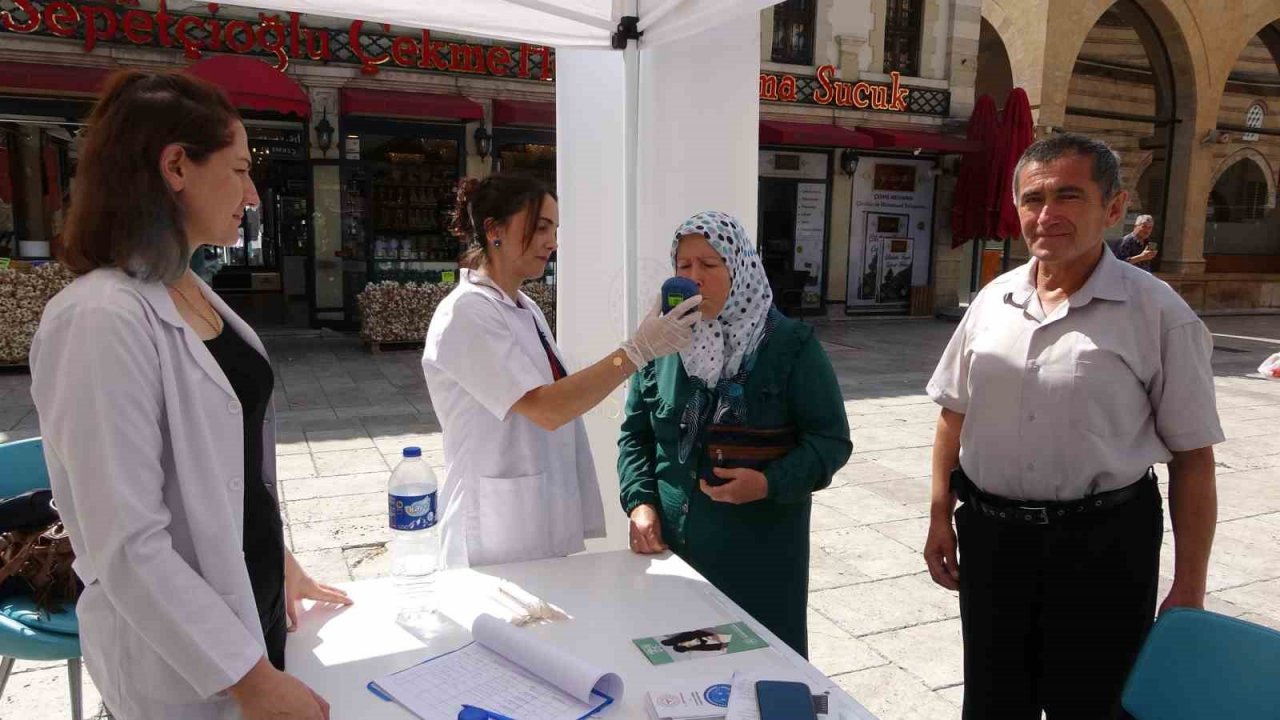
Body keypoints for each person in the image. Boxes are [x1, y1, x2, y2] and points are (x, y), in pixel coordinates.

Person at [29, 70, 350, 720]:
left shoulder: (188, 290)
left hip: (252, 621)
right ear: (176, 166)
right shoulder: (98, 319)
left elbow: (222, 474)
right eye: (237, 170)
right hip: (179, 671)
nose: (253, 193)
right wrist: (252, 682)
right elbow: (125, 543)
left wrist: (277, 560)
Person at [923, 133, 1221, 719]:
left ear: (1114, 208)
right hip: (992, 538)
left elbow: (1194, 459)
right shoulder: (991, 301)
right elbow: (952, 415)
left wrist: (1189, 585)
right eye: (1033, 198)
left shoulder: (1158, 313)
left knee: (1093, 705)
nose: (1047, 214)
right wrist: (939, 515)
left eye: (1069, 195)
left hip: (1104, 545)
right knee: (992, 701)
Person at [422, 172, 703, 569]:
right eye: (539, 228)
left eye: (554, 229)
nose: (552, 242)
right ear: (494, 230)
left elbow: (562, 396)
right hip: (493, 535)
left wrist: (639, 349)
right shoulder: (466, 313)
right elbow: (547, 408)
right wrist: (637, 350)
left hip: (535, 517)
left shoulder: (524, 307)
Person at [617, 211, 852, 657]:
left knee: (758, 673)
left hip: (758, 560)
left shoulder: (790, 345)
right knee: (675, 679)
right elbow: (636, 434)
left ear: (739, 266)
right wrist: (640, 502)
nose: (694, 278)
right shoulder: (661, 343)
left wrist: (768, 483)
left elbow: (831, 440)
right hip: (673, 557)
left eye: (709, 264)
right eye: (684, 266)